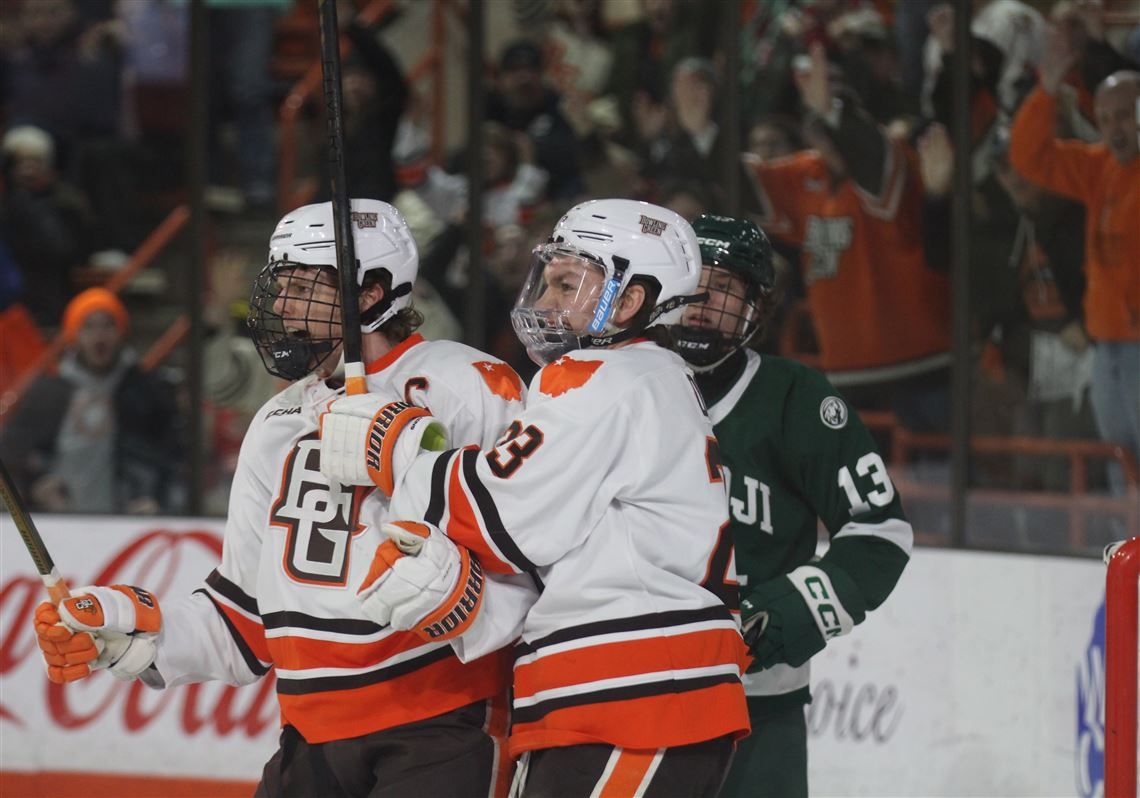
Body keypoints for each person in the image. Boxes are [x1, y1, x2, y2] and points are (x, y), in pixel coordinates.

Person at [30, 200, 526, 797]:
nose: (280, 303)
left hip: (441, 726)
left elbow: (529, 549)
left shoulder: (467, 384)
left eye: (301, 284)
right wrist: (138, 632)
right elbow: (243, 617)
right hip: (309, 740)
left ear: (369, 293)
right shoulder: (280, 418)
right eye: (279, 282)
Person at [317, 199, 751, 797]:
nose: (545, 304)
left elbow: (497, 517)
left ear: (628, 302)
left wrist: (397, 447)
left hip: (638, 692)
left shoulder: (608, 377)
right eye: (546, 282)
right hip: (617, 691)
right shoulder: (644, 378)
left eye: (567, 283)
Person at [672, 214, 913, 798]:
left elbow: (881, 533)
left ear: (757, 307)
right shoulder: (617, 387)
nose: (703, 302)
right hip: (632, 688)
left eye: (724, 287)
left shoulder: (794, 399)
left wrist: (786, 614)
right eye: (692, 283)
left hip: (759, 704)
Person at [743, 42, 952, 432]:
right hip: (846, 374)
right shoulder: (809, 173)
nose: (823, 141)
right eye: (816, 130)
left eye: (830, 130)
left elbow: (871, 155)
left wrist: (831, 110)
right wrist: (700, 131)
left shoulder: (895, 163)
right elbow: (742, 183)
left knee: (932, 484)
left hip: (920, 368)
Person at [1009, 54, 1140, 484]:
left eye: (1124, 115)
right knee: (1122, 464)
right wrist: (1046, 90)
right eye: (1105, 118)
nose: (1114, 127)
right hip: (1107, 345)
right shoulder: (1099, 167)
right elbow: (1029, 157)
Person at [0, 286, 182, 514]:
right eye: (88, 326)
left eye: (108, 325)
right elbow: (14, 455)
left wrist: (157, 498)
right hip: (59, 523)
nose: (100, 335)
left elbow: (171, 453)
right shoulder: (49, 391)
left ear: (122, 331)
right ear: (73, 334)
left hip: (131, 522)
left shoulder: (147, 389)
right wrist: (35, 486)